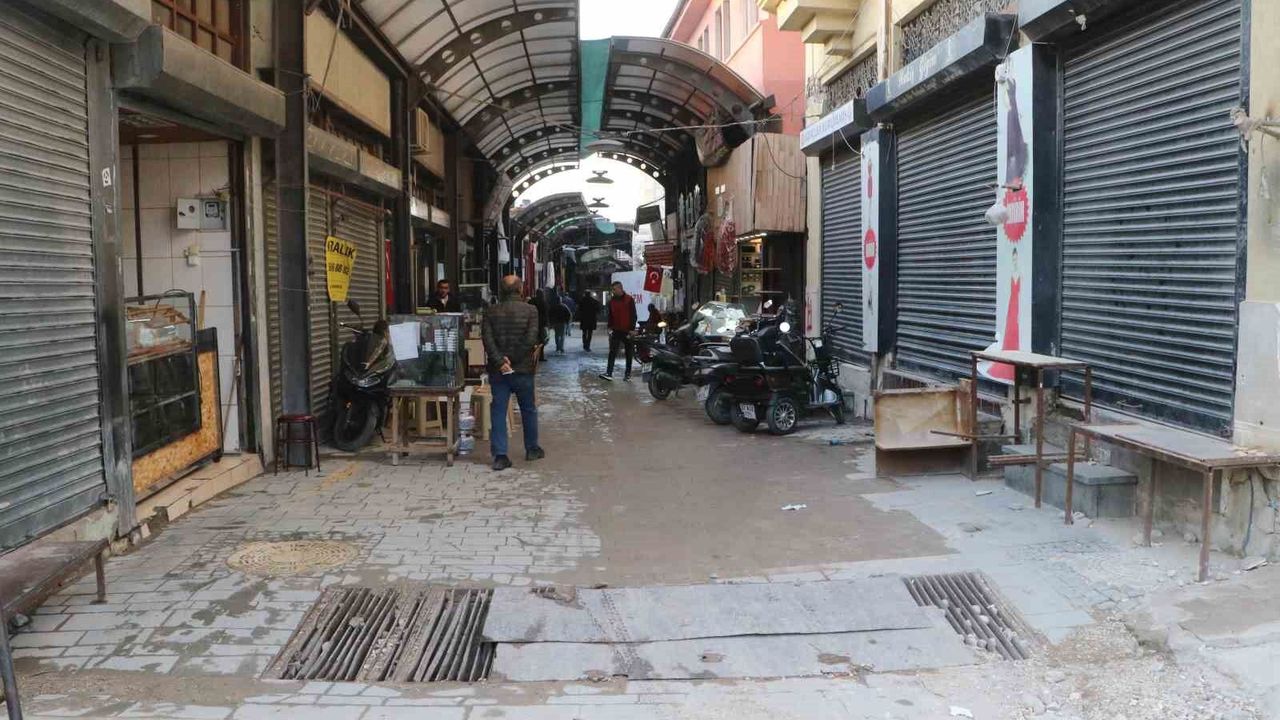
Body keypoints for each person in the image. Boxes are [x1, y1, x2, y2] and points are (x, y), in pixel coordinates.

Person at [482, 275, 545, 471]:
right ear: (520, 289)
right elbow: (531, 338)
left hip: (499, 371)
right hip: (523, 369)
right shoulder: (531, 310)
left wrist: (501, 362)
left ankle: (500, 455)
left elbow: (487, 340)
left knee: (498, 411)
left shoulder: (490, 311)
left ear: (501, 291)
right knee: (528, 409)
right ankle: (532, 449)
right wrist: (513, 359)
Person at [600, 281, 637, 381]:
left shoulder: (629, 300)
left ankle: (628, 374)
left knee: (628, 353)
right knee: (612, 352)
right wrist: (609, 327)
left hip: (627, 330)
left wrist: (632, 329)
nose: (613, 291)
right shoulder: (612, 301)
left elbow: (633, 315)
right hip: (616, 330)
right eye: (612, 290)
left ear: (620, 289)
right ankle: (609, 373)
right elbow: (610, 316)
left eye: (614, 289)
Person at [528, 289, 549, 362]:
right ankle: (541, 356)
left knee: (532, 340)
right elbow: (546, 314)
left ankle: (532, 356)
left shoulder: (531, 301)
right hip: (541, 324)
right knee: (541, 341)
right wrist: (547, 324)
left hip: (532, 323)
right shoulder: (544, 302)